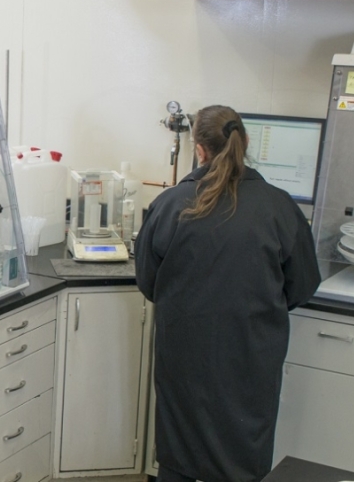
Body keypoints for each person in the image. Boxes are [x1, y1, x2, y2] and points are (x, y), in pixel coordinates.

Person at [135, 105, 321, 482]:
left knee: (180, 455)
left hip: (184, 361)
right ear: (245, 143)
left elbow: (149, 283)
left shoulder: (170, 205)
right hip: (250, 359)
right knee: (243, 458)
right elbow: (301, 285)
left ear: (199, 150)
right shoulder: (280, 208)